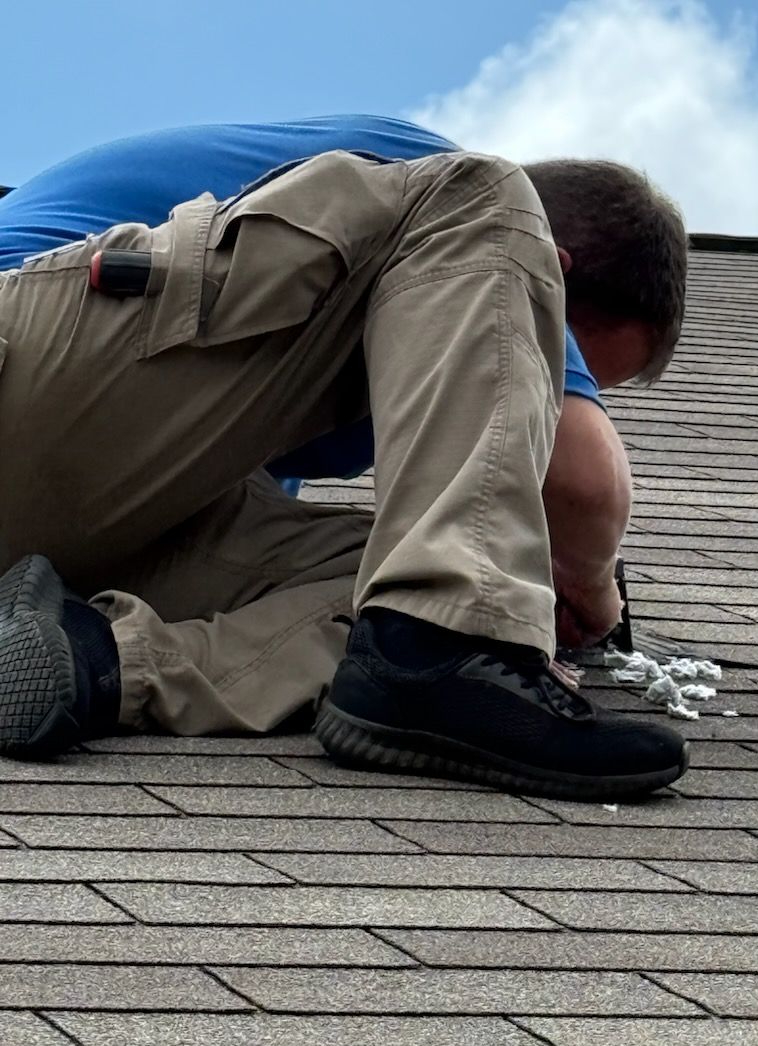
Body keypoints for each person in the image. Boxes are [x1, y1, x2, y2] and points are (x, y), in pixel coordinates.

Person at [0, 118, 689, 797]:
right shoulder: (441, 200)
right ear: (544, 272)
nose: (543, 394)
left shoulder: (260, 378)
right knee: (484, 196)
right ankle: (445, 644)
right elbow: (587, 486)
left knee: (390, 593)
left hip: (74, 504)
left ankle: (93, 662)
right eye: (563, 369)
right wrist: (594, 592)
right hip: (30, 373)